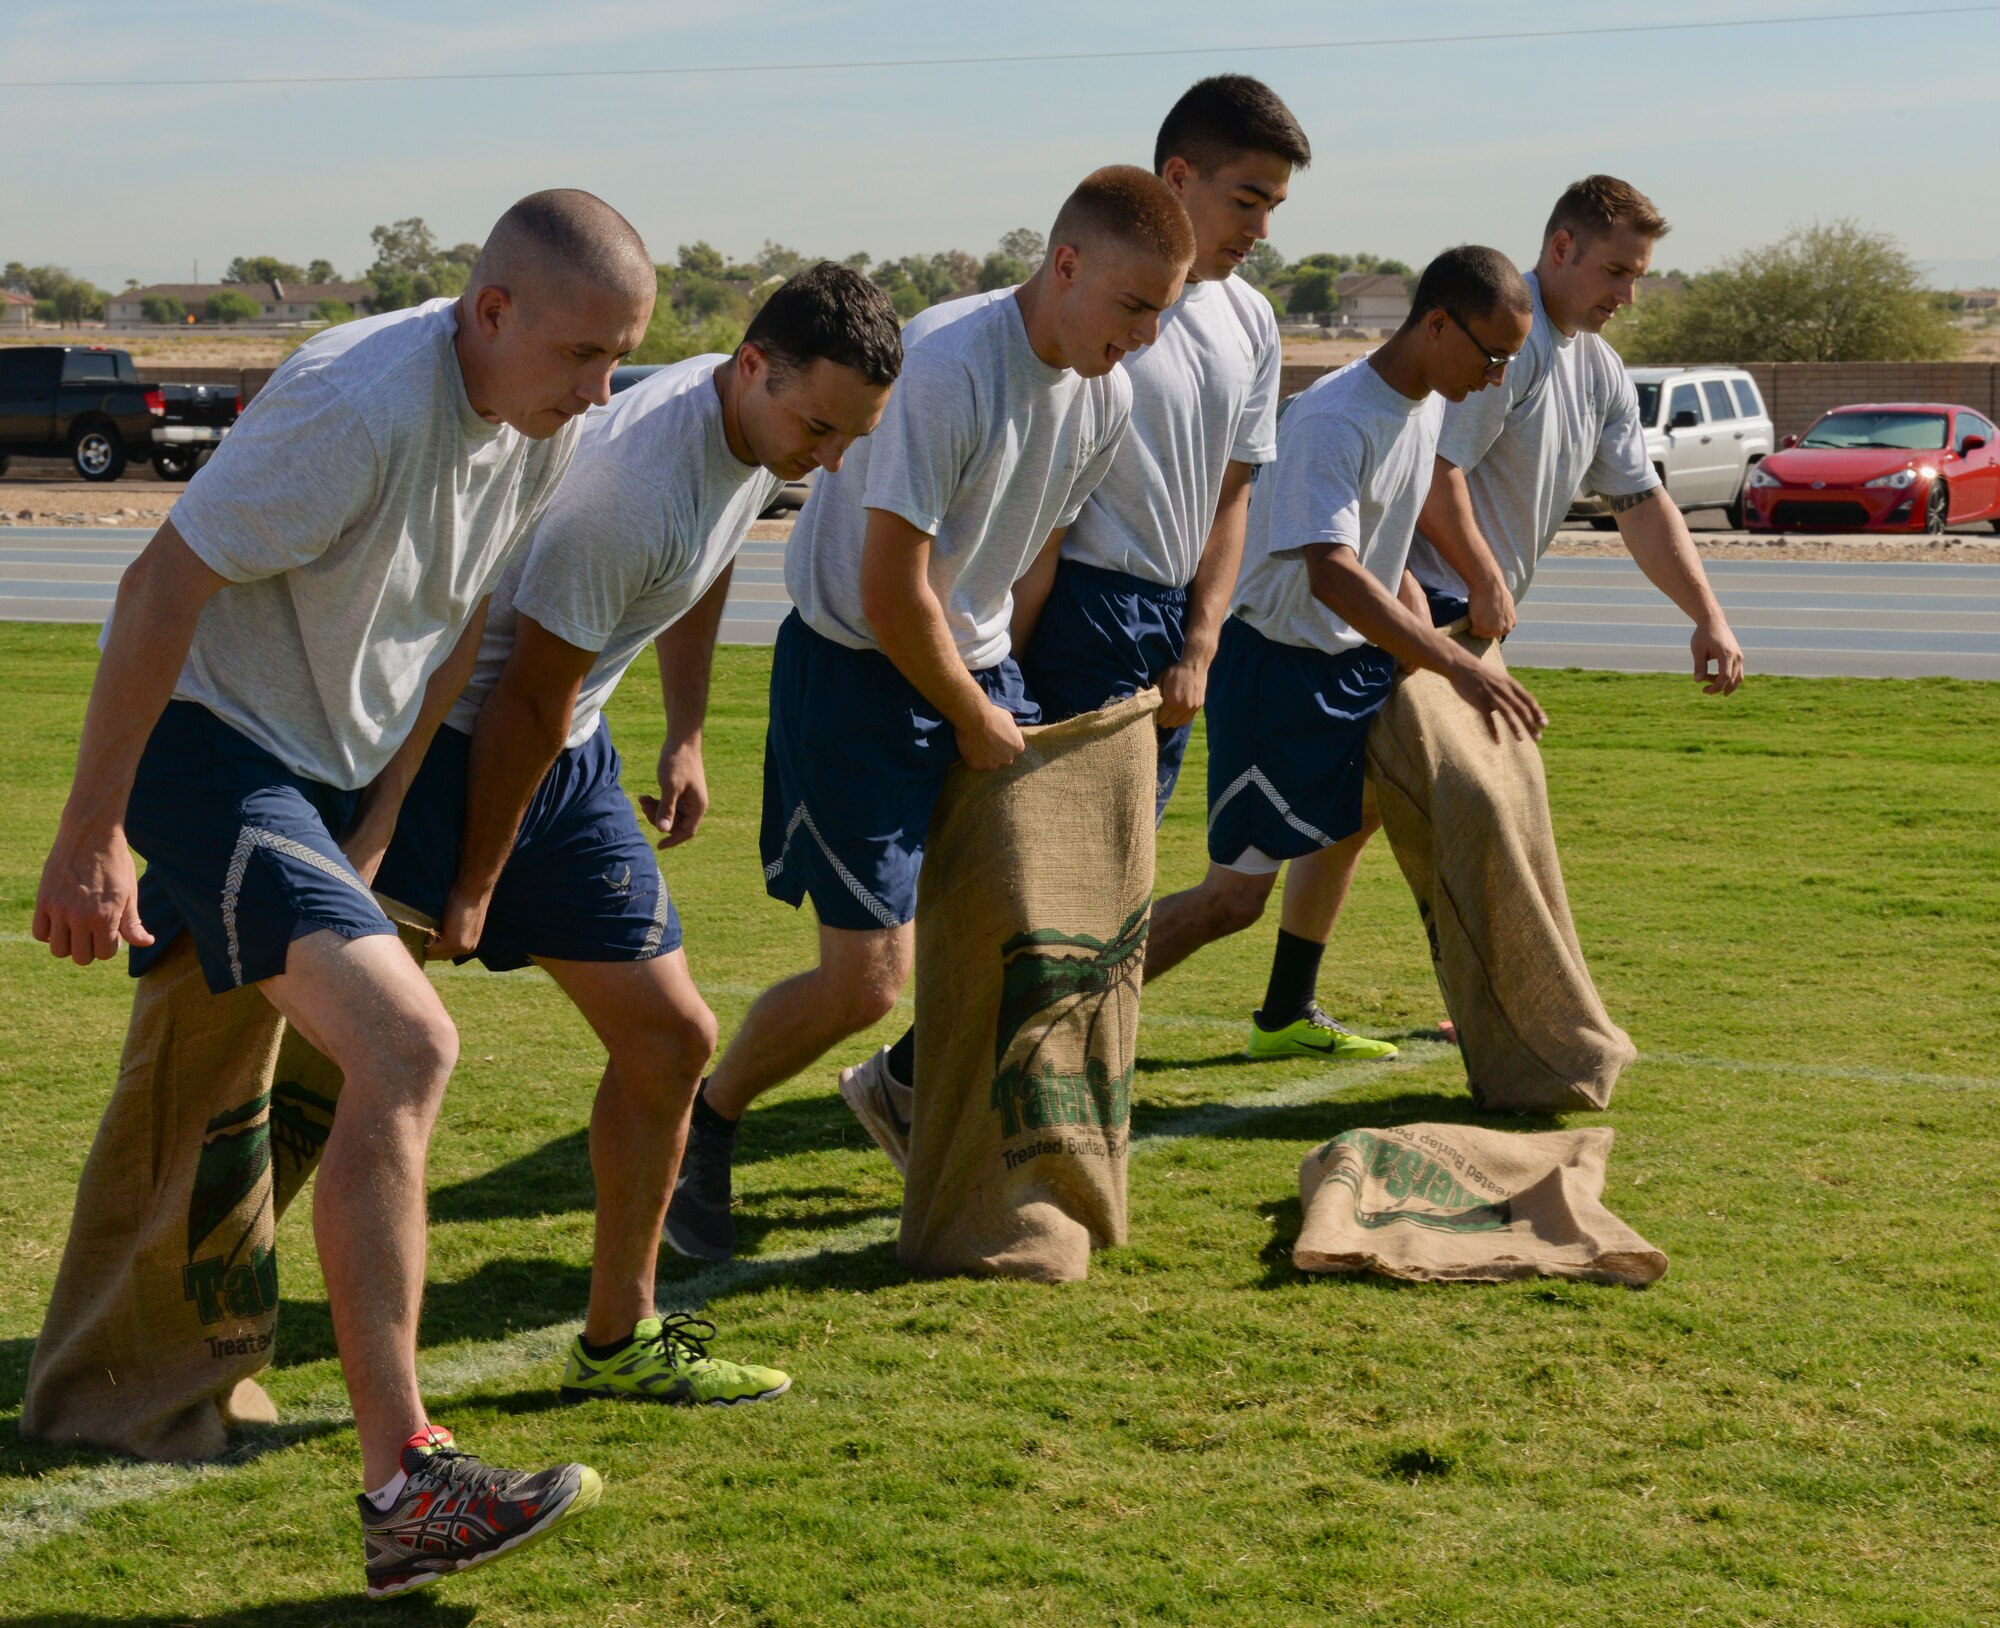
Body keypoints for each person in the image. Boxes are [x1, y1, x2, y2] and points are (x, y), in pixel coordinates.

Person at [29, 190, 654, 1600]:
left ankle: (118, 1381)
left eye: (622, 358)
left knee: (222, 1081)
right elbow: (156, 585)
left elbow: (459, 625)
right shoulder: (358, 404)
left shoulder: (533, 428)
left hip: (325, 775)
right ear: (491, 312)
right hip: (212, 751)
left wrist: (374, 826)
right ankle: (406, 1486)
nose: (600, 389)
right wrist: (91, 836)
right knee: (409, 1043)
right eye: (581, 356)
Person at [371, 263, 902, 1406]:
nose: (830, 458)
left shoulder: (753, 439)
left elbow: (702, 569)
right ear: (751, 365)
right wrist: (475, 878)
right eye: (818, 426)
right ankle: (205, 1323)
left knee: (670, 1040)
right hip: (457, 756)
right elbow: (522, 699)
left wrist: (687, 731)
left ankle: (620, 1334)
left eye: (850, 436)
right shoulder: (634, 482)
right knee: (354, 1065)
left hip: (566, 752)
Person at [661, 166, 1196, 1261]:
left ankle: (907, 1094)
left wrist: (1010, 691)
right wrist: (967, 709)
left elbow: (1036, 549)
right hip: (859, 669)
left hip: (974, 666)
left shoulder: (1108, 395)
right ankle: (702, 1123)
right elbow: (887, 584)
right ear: (1065, 266)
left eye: (1162, 315)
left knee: (1028, 931)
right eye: (1132, 306)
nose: (1143, 336)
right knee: (865, 979)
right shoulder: (948, 366)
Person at [837, 75, 1310, 1164]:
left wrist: (1201, 637)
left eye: (1274, 207)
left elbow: (1232, 495)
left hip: (1174, 623)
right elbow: (1034, 516)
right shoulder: (1082, 318)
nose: (1261, 229)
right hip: (1079, 612)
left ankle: (942, 1079)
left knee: (1116, 891)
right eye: (1246, 199)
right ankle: (947, 1087)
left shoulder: (1250, 322)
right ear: (1176, 179)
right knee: (1060, 888)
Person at [1219, 175, 1747, 1054]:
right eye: (1616, 271)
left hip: (1455, 621)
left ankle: (1286, 1009)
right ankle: (1506, 1007)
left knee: (1355, 819)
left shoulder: (1600, 370)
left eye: (1639, 278)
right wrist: (1480, 576)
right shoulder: (1505, 338)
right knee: (1475, 811)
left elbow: (1641, 500)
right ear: (1562, 248)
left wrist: (1708, 614)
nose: (1626, 295)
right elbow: (1435, 466)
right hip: (1429, 616)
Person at [1138, 246, 1547, 1033]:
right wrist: (1455, 665)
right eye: (1492, 356)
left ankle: (1290, 1011)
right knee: (1233, 899)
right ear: (1436, 323)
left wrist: (1419, 618)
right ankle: (1034, 1027)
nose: (1496, 378)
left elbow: (1379, 538)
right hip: (1275, 673)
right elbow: (1331, 572)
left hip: (1349, 662)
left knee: (1360, 818)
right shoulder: (1331, 417)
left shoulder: (1425, 402)